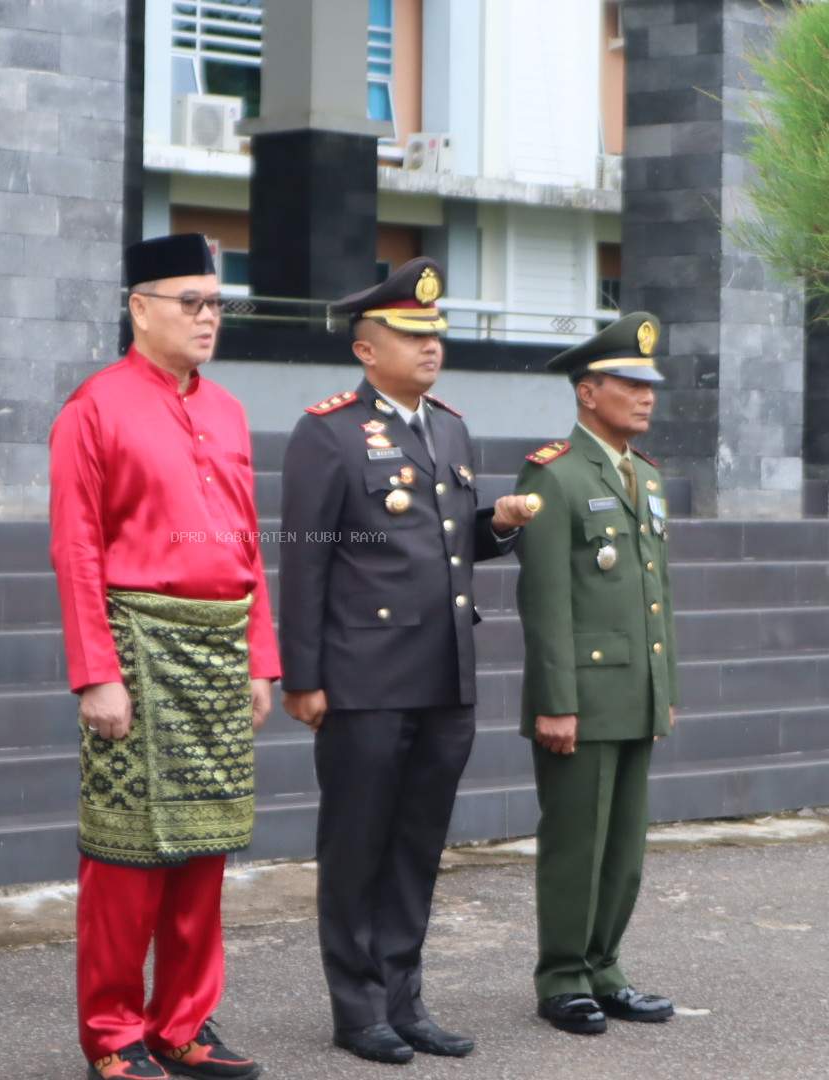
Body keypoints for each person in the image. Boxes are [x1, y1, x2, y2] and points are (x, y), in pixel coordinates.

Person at [278, 256, 537, 1064]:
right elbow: (308, 559)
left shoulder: (450, 427)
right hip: (364, 679)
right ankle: (357, 1009)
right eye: (411, 335)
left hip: (443, 674)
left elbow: (451, 543)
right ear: (366, 349)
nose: (432, 347)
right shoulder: (327, 432)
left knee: (419, 845)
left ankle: (404, 998)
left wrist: (503, 522)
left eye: (437, 334)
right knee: (357, 845)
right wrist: (304, 676)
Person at [49, 233, 276, 1080]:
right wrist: (94, 671)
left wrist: (262, 656)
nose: (207, 317)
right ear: (139, 308)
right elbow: (75, 548)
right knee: (127, 855)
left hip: (221, 648)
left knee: (205, 852)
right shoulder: (94, 406)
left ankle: (184, 1022)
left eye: (216, 303)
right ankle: (113, 1034)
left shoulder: (227, 409)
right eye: (191, 302)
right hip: (137, 646)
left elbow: (250, 544)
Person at [512, 311, 678, 1035]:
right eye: (629, 384)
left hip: (634, 692)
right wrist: (556, 701)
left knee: (625, 846)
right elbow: (544, 599)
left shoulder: (644, 475)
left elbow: (654, 593)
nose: (645, 397)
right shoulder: (553, 472)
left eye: (650, 386)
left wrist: (662, 690)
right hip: (579, 693)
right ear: (588, 392)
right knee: (578, 841)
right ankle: (563, 978)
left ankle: (606, 967)